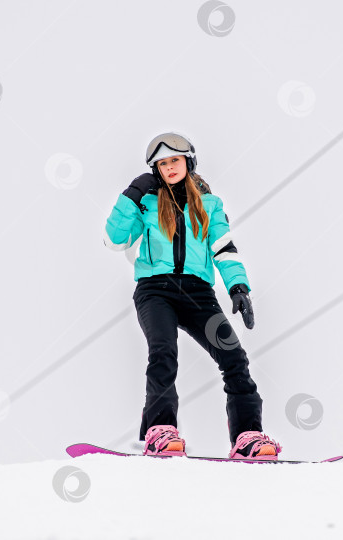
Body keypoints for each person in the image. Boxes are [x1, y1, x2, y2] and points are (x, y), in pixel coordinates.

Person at [103, 131, 282, 460]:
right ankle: (161, 431)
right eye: (162, 163)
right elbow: (114, 240)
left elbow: (224, 248)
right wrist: (130, 195)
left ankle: (247, 436)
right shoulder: (145, 202)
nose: (170, 167)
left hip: (199, 294)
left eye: (175, 160)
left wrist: (238, 287)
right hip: (156, 291)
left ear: (188, 162)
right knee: (163, 352)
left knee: (234, 358)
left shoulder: (210, 205)